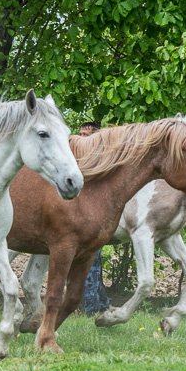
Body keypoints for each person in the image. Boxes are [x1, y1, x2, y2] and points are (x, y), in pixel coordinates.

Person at [76, 121, 111, 316]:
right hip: (80, 216)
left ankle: (91, 309)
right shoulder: (76, 157)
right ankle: (103, 305)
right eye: (80, 134)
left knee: (91, 263)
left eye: (86, 135)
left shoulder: (99, 160)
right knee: (92, 264)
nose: (81, 138)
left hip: (93, 217)